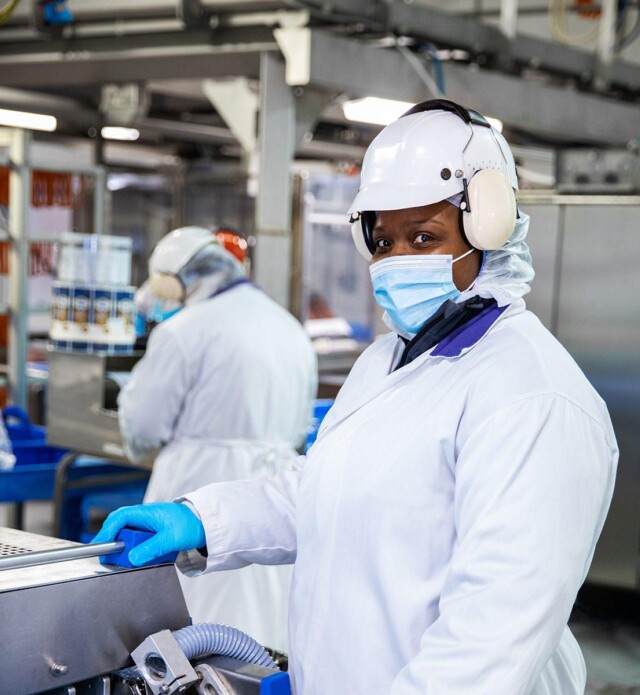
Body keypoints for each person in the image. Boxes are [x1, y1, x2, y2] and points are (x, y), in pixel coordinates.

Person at [95, 101, 618, 694]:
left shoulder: (532, 397)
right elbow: (325, 489)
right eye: (385, 239)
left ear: (488, 228)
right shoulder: (389, 359)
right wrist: (203, 520)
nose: (397, 260)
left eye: (424, 236)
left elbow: (488, 641)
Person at [115, 225, 317, 653]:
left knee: (187, 638)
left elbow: (143, 427)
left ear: (171, 280)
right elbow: (299, 428)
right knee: (259, 640)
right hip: (271, 500)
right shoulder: (289, 327)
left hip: (197, 488)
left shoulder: (183, 331)